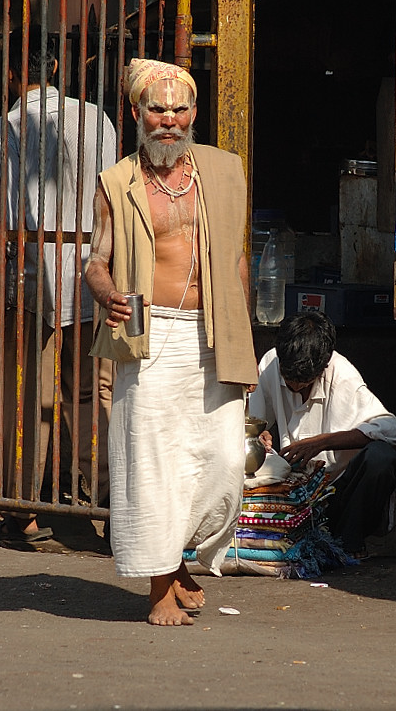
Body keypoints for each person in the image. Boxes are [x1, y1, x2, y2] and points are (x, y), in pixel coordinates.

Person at [84, 58, 257, 626]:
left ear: (194, 114)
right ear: (137, 114)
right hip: (148, 332)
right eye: (157, 109)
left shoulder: (224, 172)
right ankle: (159, 586)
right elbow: (95, 262)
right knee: (153, 462)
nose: (168, 120)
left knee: (225, 460)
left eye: (179, 109)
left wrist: (244, 341)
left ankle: (176, 556)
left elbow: (236, 260)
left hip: (214, 332)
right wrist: (107, 292)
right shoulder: (117, 183)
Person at [0, 25, 116, 540]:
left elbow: (0, 224)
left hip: (34, 279)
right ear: (57, 69)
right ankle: (109, 507)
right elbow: (113, 207)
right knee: (89, 394)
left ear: (13, 73)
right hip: (92, 274)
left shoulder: (8, 129)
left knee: (29, 399)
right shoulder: (98, 121)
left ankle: (24, 510)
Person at [247, 312, 396, 558]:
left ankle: (348, 543)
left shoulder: (343, 375)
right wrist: (261, 434)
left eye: (304, 382)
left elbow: (391, 431)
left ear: (324, 365)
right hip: (291, 495)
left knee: (381, 458)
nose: (294, 388)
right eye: (289, 381)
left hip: (335, 496)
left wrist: (322, 442)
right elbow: (251, 420)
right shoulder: (270, 364)